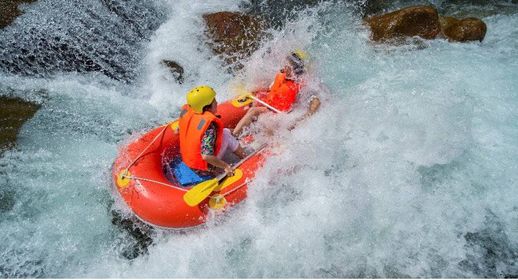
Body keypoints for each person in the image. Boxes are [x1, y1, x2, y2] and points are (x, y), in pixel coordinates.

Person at [232, 50, 321, 136]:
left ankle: (234, 135)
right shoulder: (281, 75)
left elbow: (315, 101)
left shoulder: (299, 84)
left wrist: (307, 115)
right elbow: (270, 88)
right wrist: (253, 90)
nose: (284, 67)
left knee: (253, 111)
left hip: (279, 113)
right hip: (269, 105)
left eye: (288, 66)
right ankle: (245, 131)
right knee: (255, 103)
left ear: (295, 69)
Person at [178, 85, 247, 177]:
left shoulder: (188, 113)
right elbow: (206, 156)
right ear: (207, 107)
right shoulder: (209, 127)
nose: (217, 102)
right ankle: (246, 157)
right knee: (225, 134)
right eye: (214, 101)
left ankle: (238, 137)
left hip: (189, 161)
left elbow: (179, 129)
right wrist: (225, 166)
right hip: (204, 169)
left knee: (224, 132)